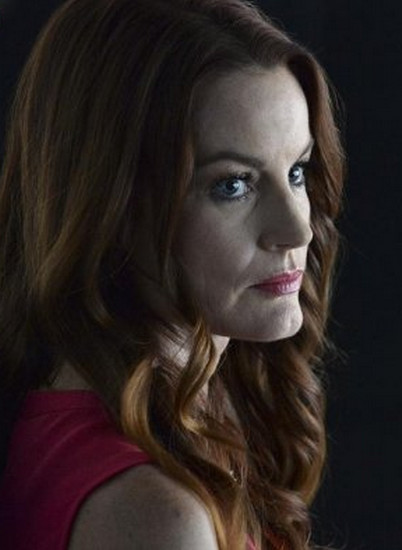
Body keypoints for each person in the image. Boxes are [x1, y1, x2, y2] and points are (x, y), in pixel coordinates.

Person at [0, 0, 345, 548]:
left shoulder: (198, 414)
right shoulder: (158, 515)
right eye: (233, 184)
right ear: (114, 204)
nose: (297, 229)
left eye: (297, 170)